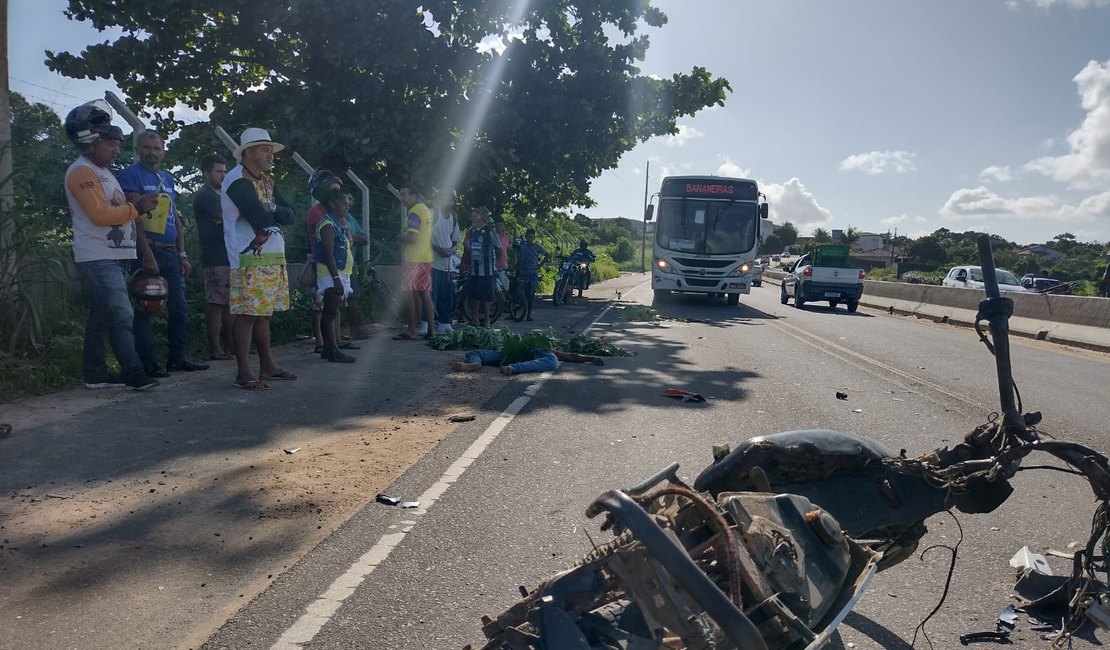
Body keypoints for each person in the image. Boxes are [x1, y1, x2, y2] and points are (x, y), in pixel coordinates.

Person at [62, 100, 159, 390]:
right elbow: (99, 214)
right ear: (90, 142)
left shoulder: (104, 172)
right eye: (110, 142)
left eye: (117, 142)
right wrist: (136, 207)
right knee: (122, 313)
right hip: (98, 255)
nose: (117, 149)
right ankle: (133, 372)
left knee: (102, 316)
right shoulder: (82, 172)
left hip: (115, 254)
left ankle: (95, 374)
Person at [119, 130, 209, 377]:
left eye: (157, 148)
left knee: (179, 308)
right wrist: (145, 251)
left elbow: (174, 217)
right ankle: (148, 363)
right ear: (137, 149)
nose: (152, 153)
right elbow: (134, 214)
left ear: (163, 151)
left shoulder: (167, 178)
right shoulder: (130, 175)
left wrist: (182, 253)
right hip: (147, 252)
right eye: (147, 148)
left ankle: (177, 358)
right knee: (145, 309)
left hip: (171, 254)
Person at [221, 127, 298, 389]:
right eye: (265, 150)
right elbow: (259, 218)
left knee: (263, 314)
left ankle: (267, 366)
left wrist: (272, 208)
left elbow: (291, 214)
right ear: (249, 152)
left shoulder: (266, 181)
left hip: (271, 257)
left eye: (271, 150)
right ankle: (244, 372)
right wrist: (273, 212)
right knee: (247, 314)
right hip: (248, 260)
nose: (271, 155)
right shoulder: (236, 181)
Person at [306, 171, 363, 353]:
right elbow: (328, 249)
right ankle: (323, 344)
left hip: (339, 268)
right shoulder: (321, 216)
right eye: (334, 191)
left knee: (333, 307)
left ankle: (334, 341)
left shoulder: (339, 216)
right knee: (323, 306)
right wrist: (336, 276)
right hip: (327, 268)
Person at [191, 153, 233, 361]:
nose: (223, 175)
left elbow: (230, 218)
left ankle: (229, 347)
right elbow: (228, 217)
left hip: (227, 256)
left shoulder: (220, 196)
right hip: (214, 256)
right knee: (216, 303)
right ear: (206, 174)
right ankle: (215, 348)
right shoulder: (205, 195)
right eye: (219, 171)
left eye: (225, 171)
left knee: (228, 303)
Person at [313, 185, 357, 363]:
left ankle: (329, 349)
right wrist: (336, 278)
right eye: (344, 204)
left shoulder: (338, 223)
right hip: (330, 274)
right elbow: (328, 253)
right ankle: (332, 349)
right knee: (330, 311)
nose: (347, 207)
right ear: (332, 204)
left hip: (339, 273)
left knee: (331, 310)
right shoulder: (327, 224)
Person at [395, 184, 436, 340]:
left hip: (413, 259)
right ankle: (431, 330)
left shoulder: (414, 212)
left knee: (408, 293)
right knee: (425, 293)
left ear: (415, 195)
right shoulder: (426, 210)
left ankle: (411, 329)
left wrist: (399, 238)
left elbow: (413, 237)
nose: (402, 198)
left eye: (404, 194)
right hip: (426, 258)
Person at [460, 207, 501, 326]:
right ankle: (474, 318)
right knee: (473, 294)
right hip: (474, 269)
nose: (472, 218)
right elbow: (467, 244)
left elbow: (499, 249)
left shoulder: (489, 231)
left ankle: (487, 319)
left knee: (486, 295)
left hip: (487, 270)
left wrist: (493, 261)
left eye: (475, 216)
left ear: (482, 218)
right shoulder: (472, 231)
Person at [431, 192, 461, 335]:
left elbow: (455, 239)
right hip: (432, 261)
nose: (448, 200)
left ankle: (444, 322)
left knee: (446, 294)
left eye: (451, 198)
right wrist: (438, 249)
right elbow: (425, 236)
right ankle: (426, 323)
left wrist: (452, 249)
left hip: (447, 263)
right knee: (431, 294)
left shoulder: (454, 217)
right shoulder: (432, 213)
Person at [451, 348, 604, 376]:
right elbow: (570, 356)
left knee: (476, 352)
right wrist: (589, 358)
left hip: (510, 354)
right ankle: (513, 368)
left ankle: (474, 362)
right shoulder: (548, 348)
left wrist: (589, 358)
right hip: (524, 351)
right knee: (553, 361)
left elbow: (571, 356)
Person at [515, 227, 549, 321]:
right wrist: (515, 267)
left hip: (533, 273)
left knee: (531, 294)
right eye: (528, 237)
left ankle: (529, 315)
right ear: (525, 237)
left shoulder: (537, 247)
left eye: (531, 237)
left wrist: (540, 265)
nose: (529, 238)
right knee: (520, 291)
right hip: (523, 273)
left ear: (534, 238)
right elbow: (519, 258)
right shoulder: (522, 246)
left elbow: (547, 255)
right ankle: (518, 310)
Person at [494, 217, 511, 293]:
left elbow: (507, 250)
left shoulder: (506, 237)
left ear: (504, 226)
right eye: (498, 225)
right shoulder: (492, 236)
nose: (500, 227)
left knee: (504, 287)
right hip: (493, 264)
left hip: (503, 265)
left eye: (501, 225)